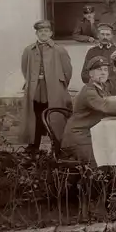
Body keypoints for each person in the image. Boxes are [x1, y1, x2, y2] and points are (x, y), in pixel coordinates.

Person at [61, 56, 116, 166]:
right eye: (99, 70)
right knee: (100, 163)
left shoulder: (101, 89)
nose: (103, 73)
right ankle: (91, 183)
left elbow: (112, 104)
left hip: (93, 135)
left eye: (105, 70)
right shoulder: (89, 90)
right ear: (90, 74)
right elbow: (105, 106)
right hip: (79, 137)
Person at [20, 20, 73, 153]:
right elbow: (24, 68)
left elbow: (67, 71)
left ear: (51, 33)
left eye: (46, 31)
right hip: (36, 88)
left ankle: (56, 146)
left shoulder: (59, 50)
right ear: (37, 33)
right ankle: (34, 146)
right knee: (36, 117)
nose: (43, 33)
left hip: (54, 88)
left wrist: (60, 84)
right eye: (40, 31)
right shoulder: (29, 50)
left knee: (54, 117)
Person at [81, 22, 116, 87]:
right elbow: (84, 74)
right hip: (96, 87)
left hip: (114, 88)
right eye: (102, 34)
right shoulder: (91, 52)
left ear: (112, 36)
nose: (105, 37)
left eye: (108, 34)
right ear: (98, 35)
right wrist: (95, 84)